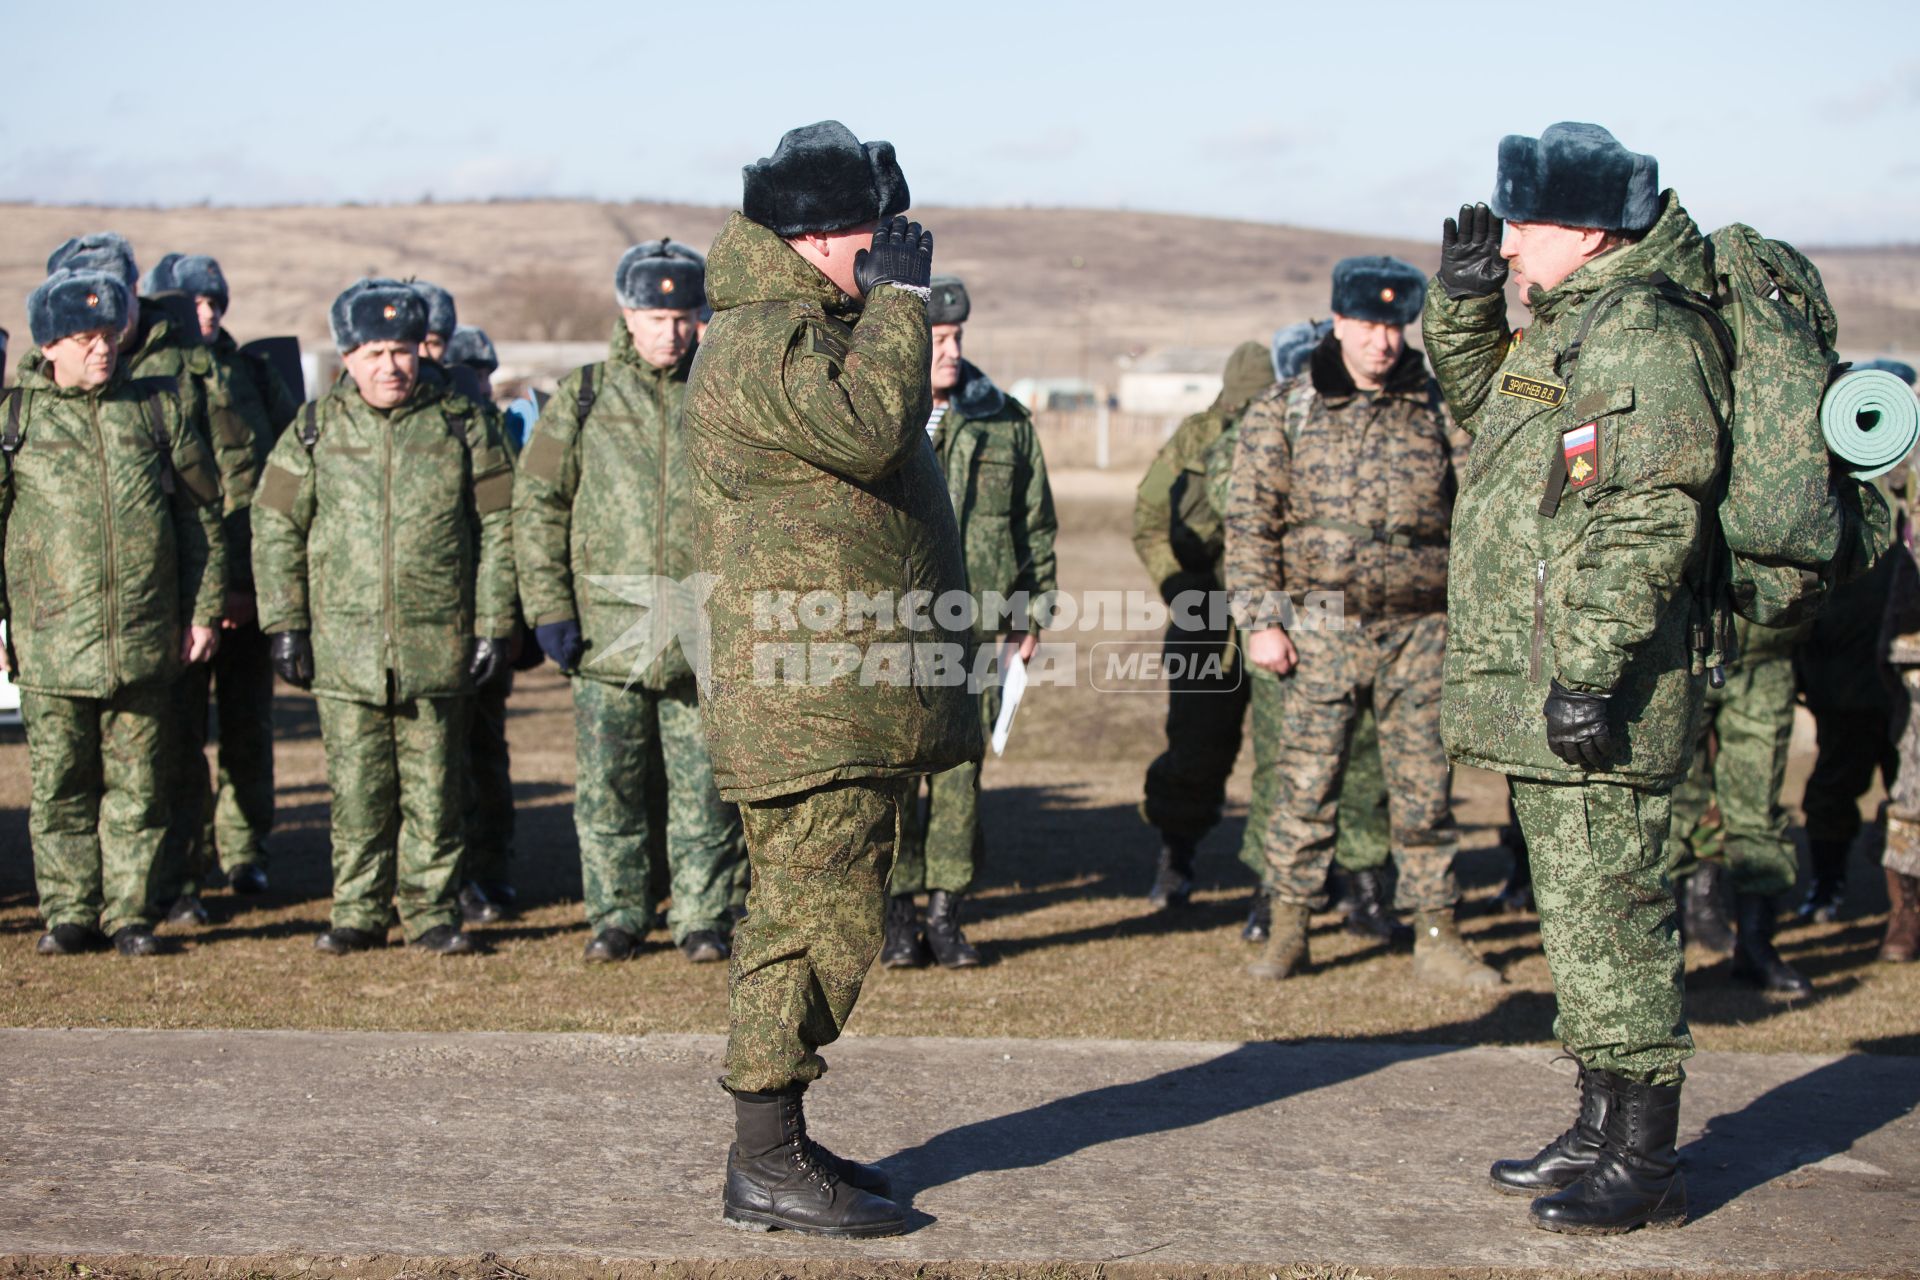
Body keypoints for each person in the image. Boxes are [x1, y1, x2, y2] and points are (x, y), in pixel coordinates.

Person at [1426, 123, 1726, 1233]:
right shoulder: (1577, 322)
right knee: (1582, 916)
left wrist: (1590, 668)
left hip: (1607, 688)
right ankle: (1601, 1126)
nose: (1507, 245)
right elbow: (1494, 421)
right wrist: (1460, 304)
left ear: (1591, 230)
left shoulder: (1641, 334)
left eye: (1523, 225)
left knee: (1617, 914)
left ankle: (1645, 1164)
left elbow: (1647, 514)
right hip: (1555, 679)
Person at [682, 120, 977, 1238]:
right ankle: (763, 1158)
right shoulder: (767, 340)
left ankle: (781, 1139)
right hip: (808, 703)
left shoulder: (808, 329)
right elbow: (863, 428)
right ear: (813, 238)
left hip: (836, 696)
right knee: (810, 922)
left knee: (822, 913)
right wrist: (905, 304)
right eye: (873, 226)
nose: (893, 242)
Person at [1225, 257, 1494, 989]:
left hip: (1422, 632)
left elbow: (1478, 516)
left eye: (1396, 327)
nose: (1384, 342)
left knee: (1424, 793)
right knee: (1305, 786)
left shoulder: (1438, 410)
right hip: (1319, 627)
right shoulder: (1284, 409)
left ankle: (1437, 933)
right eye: (1370, 326)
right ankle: (1289, 929)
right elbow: (1250, 524)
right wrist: (1261, 621)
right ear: (1338, 322)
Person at [251, 278, 515, 956]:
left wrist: (493, 624)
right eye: (373, 353)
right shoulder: (311, 431)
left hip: (440, 642)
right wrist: (285, 623)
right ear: (347, 357)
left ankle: (430, 913)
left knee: (435, 794)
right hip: (346, 648)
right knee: (358, 795)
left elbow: (501, 528)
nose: (390, 366)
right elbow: (275, 524)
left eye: (400, 351)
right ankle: (359, 911)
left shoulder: (465, 424)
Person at [514, 240, 744, 964]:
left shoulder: (727, 395)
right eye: (654, 315)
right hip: (607, 636)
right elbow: (537, 506)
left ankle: (705, 916)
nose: (670, 331)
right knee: (609, 789)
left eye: (683, 316)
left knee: (705, 791)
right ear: (626, 316)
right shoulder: (579, 399)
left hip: (701, 636)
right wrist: (550, 609)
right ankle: (617, 914)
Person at [2, 268, 227, 956]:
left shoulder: (158, 410)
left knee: (138, 787)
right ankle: (68, 914)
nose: (103, 349)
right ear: (49, 348)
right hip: (50, 642)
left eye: (111, 335)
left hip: (143, 636)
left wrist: (203, 609)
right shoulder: (17, 422)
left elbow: (202, 520)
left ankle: (129, 913)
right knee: (63, 787)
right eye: (85, 338)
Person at [45, 235, 254, 928]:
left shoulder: (182, 372)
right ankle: (81, 903)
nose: (106, 324)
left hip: (166, 604)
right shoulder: (28, 401)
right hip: (71, 620)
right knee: (70, 774)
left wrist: (217, 589)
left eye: (118, 294)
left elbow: (218, 490)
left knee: (174, 752)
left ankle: (174, 882)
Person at [1198, 333, 1400, 946]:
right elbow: (1235, 507)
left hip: (1361, 622)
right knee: (1283, 766)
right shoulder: (1259, 431)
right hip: (1287, 625)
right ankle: (1272, 889)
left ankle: (1365, 882)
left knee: (1365, 758)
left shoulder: (1373, 428)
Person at [881, 274, 1057, 970]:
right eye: (936, 339)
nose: (949, 351)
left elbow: (1034, 525)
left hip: (979, 629)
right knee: (894, 775)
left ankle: (947, 913)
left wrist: (1032, 611)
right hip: (890, 631)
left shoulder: (1004, 420)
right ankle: (896, 917)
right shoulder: (878, 415)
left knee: (959, 776)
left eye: (956, 338)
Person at [140, 252, 298, 900]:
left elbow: (283, 475)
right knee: (176, 737)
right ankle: (186, 856)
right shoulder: (145, 382)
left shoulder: (254, 374)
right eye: (193, 303)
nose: (207, 314)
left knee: (248, 728)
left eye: (214, 302)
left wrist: (254, 585)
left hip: (252, 581)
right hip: (177, 593)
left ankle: (245, 850)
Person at [1794, 357, 1915, 926]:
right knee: (1834, 786)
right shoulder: (1827, 484)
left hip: (1903, 675)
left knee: (1909, 794)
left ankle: (1902, 912)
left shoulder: (1906, 492)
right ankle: (1827, 884)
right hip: (1841, 670)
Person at [1666, 612, 1812, 994]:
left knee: (1758, 811)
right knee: (1667, 809)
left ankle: (1755, 945)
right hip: (1681, 653)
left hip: (1762, 658)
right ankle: (1662, 954)